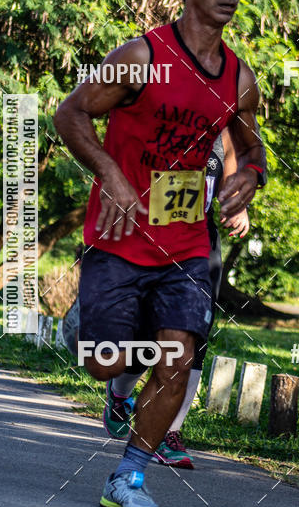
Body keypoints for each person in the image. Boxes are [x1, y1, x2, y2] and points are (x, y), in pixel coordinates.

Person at [53, 0, 266, 507]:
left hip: (186, 240)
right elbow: (70, 113)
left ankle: (129, 475)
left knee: (178, 356)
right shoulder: (140, 57)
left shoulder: (239, 78)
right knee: (106, 358)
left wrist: (251, 176)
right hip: (119, 235)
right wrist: (111, 174)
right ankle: (108, 367)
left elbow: (251, 146)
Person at [61, 129, 250, 469]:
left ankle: (169, 432)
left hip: (198, 241)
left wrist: (237, 205)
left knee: (193, 338)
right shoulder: (161, 114)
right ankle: (120, 395)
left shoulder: (226, 126)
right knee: (144, 334)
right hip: (145, 232)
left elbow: (232, 173)